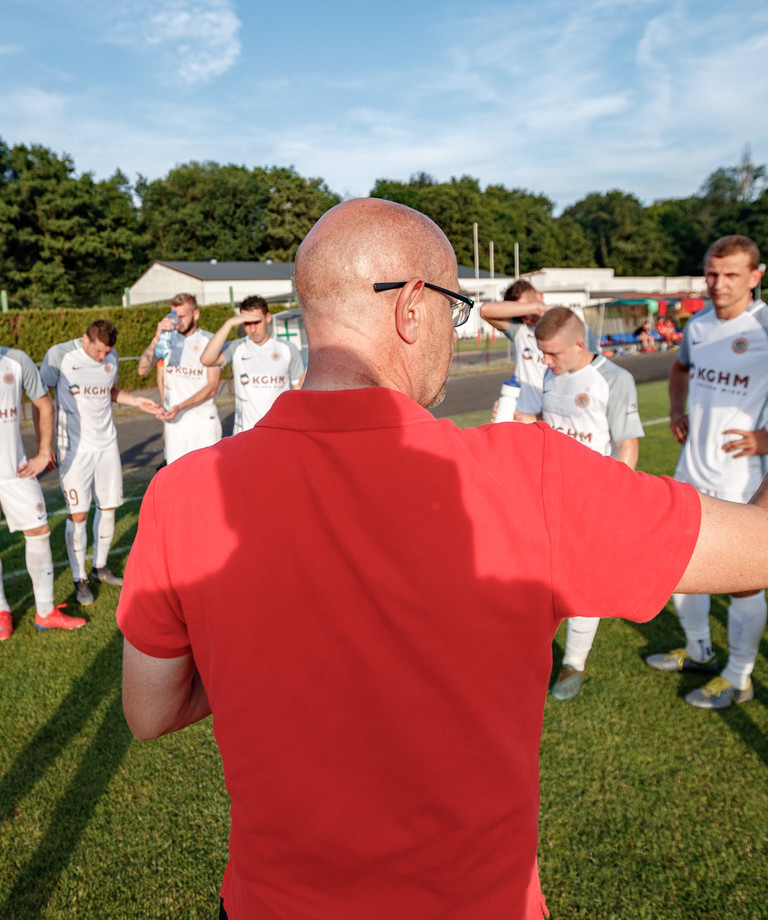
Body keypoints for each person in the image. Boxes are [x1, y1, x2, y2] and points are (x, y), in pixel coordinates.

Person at [118, 199, 768, 920]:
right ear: (413, 309)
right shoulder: (528, 477)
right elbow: (757, 552)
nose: (455, 338)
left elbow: (151, 710)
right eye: (457, 313)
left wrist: (268, 651)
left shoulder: (182, 493)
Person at [645, 234, 768, 708]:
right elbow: (681, 370)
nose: (718, 283)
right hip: (691, 466)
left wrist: (766, 438)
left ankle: (739, 675)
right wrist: (677, 410)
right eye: (713, 273)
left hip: (743, 474)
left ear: (755, 277)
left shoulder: (764, 327)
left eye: (732, 274)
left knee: (743, 580)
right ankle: (698, 649)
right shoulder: (696, 325)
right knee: (678, 565)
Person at [516, 307, 644, 699]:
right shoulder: (547, 374)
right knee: (537, 580)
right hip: (546, 495)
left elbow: (627, 444)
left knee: (584, 584)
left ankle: (573, 662)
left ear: (578, 344)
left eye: (553, 353)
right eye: (542, 353)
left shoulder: (614, 379)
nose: (545, 361)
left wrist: (613, 500)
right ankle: (534, 652)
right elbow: (529, 421)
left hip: (591, 502)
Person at [41, 320, 161, 605]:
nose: (101, 357)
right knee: (79, 515)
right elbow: (41, 400)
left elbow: (109, 390)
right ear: (85, 338)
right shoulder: (60, 355)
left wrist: (136, 401)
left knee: (108, 508)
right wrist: (44, 447)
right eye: (97, 351)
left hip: (107, 444)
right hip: (74, 449)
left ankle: (100, 567)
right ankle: (79, 577)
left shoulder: (111, 356)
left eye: (106, 351)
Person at [0, 346, 86, 634]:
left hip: (16, 472)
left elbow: (44, 405)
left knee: (39, 531)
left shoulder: (16, 360)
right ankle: (2, 613)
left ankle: (45, 611)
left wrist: (43, 452)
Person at [200, 295, 305, 434]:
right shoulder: (237, 347)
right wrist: (229, 324)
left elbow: (298, 390)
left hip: (279, 432)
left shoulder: (287, 348)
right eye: (247, 323)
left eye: (256, 322)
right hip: (245, 433)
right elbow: (207, 360)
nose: (253, 329)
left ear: (268, 318)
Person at [137, 293, 222, 464]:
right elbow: (143, 370)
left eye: (182, 316)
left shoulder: (209, 340)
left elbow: (212, 386)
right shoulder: (166, 340)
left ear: (195, 314)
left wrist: (180, 406)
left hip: (203, 424)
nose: (177, 320)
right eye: (173, 315)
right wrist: (156, 337)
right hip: (175, 426)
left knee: (207, 479)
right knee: (177, 481)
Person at [479, 281, 549, 410]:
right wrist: (536, 308)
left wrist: (544, 311)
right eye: (520, 313)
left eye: (528, 305)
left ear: (539, 295)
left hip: (556, 416)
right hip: (525, 414)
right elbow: (485, 310)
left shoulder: (565, 325)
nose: (527, 317)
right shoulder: (520, 329)